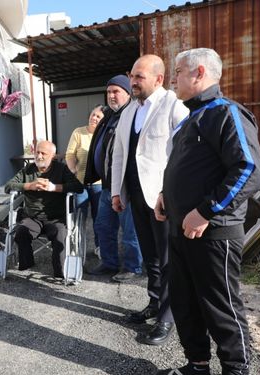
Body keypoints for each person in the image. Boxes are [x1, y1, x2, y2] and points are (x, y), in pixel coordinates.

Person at [155, 48, 260, 375]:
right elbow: (188, 167)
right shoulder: (192, 118)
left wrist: (205, 211)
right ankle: (197, 365)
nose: (173, 79)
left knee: (221, 309)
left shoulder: (226, 113)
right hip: (181, 230)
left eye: (178, 72)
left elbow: (248, 170)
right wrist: (165, 194)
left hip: (213, 234)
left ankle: (237, 370)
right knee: (186, 304)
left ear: (199, 73)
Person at [111, 55, 188, 345]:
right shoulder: (130, 109)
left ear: (159, 78)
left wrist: (168, 193)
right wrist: (117, 191)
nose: (132, 81)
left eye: (139, 76)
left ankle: (167, 317)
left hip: (161, 198)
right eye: (132, 75)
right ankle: (155, 303)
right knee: (151, 258)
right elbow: (120, 152)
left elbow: (182, 154)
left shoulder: (173, 105)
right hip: (135, 194)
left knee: (169, 260)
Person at [84, 75, 143, 283]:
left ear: (127, 93)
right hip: (107, 186)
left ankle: (133, 267)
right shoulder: (109, 116)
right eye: (108, 92)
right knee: (103, 227)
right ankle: (109, 263)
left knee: (130, 231)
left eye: (116, 91)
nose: (111, 95)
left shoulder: (133, 114)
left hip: (126, 186)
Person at [4, 140, 83, 278]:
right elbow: (8, 186)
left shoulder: (61, 169)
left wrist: (54, 187)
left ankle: (60, 272)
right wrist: (29, 186)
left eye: (43, 153)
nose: (39, 156)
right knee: (21, 232)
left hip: (56, 217)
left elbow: (78, 187)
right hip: (32, 217)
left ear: (52, 155)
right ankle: (27, 264)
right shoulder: (28, 169)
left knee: (60, 236)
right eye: (37, 152)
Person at [64, 105, 104, 251]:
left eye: (98, 117)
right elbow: (69, 154)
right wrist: (73, 169)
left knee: (99, 219)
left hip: (99, 184)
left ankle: (100, 247)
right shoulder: (78, 132)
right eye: (93, 114)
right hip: (80, 183)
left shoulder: (104, 134)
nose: (94, 118)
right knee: (79, 217)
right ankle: (78, 247)